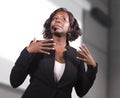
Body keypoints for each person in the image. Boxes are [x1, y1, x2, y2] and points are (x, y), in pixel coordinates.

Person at [10, 7, 98, 98]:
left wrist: (93, 67)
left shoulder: (77, 56)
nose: (58, 21)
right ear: (50, 24)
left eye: (63, 19)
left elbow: (81, 91)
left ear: (70, 28)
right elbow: (14, 81)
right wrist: (27, 52)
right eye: (55, 18)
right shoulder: (37, 46)